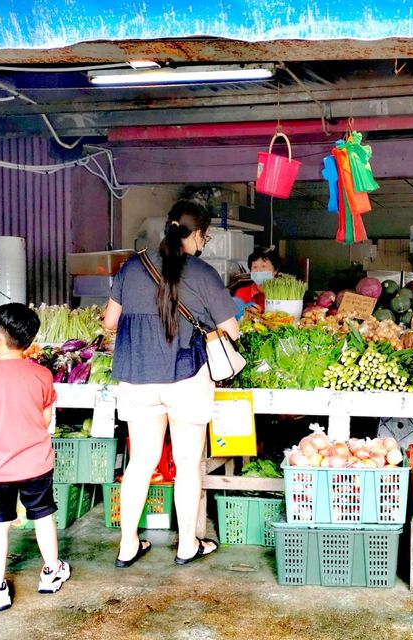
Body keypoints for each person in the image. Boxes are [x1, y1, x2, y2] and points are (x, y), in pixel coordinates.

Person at [104, 199, 239, 567]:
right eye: (205, 236)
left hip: (137, 376)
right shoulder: (202, 272)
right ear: (196, 234)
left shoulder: (132, 267)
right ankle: (186, 545)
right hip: (186, 377)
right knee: (186, 463)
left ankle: (128, 545)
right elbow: (231, 330)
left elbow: (109, 323)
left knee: (140, 463)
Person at [0, 303, 70, 613]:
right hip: (36, 464)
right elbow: (46, 419)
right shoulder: (41, 374)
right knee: (42, 514)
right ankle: (51, 572)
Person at [232, 246, 281, 311]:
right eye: (255, 267)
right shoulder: (242, 293)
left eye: (263, 266)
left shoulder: (283, 294)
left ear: (275, 270)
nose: (259, 270)